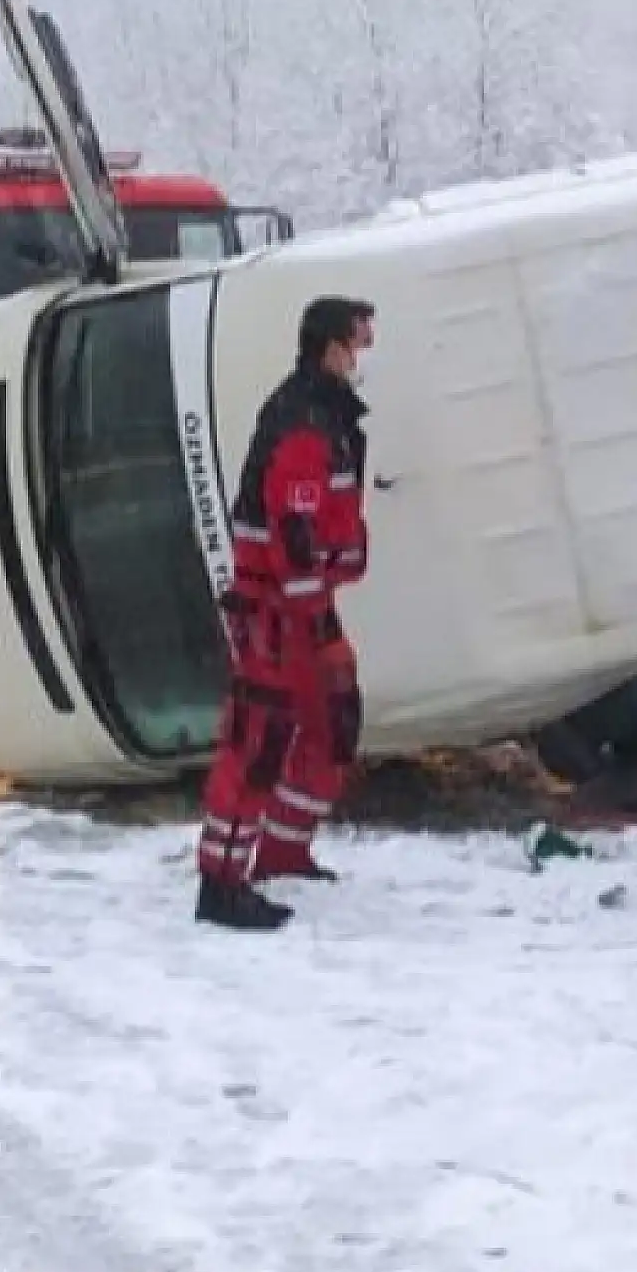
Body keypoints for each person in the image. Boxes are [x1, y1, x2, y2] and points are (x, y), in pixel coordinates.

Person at [196, 296, 376, 931]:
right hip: (276, 605)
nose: (363, 356)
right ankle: (221, 882)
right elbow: (291, 526)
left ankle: (281, 850)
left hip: (305, 601)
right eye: (358, 343)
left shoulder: (328, 415)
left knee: (334, 720)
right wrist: (306, 607)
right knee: (261, 738)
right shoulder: (302, 418)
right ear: (331, 346)